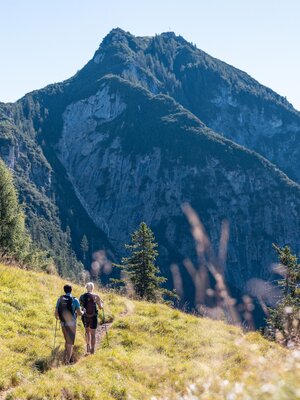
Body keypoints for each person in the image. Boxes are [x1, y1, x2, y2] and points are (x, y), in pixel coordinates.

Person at [55, 284, 84, 364]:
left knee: (67, 340)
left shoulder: (60, 299)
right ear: (71, 290)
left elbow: (56, 313)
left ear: (64, 290)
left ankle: (65, 357)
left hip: (63, 323)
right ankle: (67, 361)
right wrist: (83, 311)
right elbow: (79, 313)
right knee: (70, 343)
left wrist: (59, 318)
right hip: (71, 324)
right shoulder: (75, 300)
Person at [80, 282, 104, 354]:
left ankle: (88, 345)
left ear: (86, 287)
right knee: (93, 334)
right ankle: (93, 349)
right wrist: (102, 304)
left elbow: (80, 307)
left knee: (87, 332)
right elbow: (100, 307)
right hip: (93, 317)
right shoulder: (96, 296)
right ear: (93, 288)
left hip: (85, 317)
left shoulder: (82, 296)